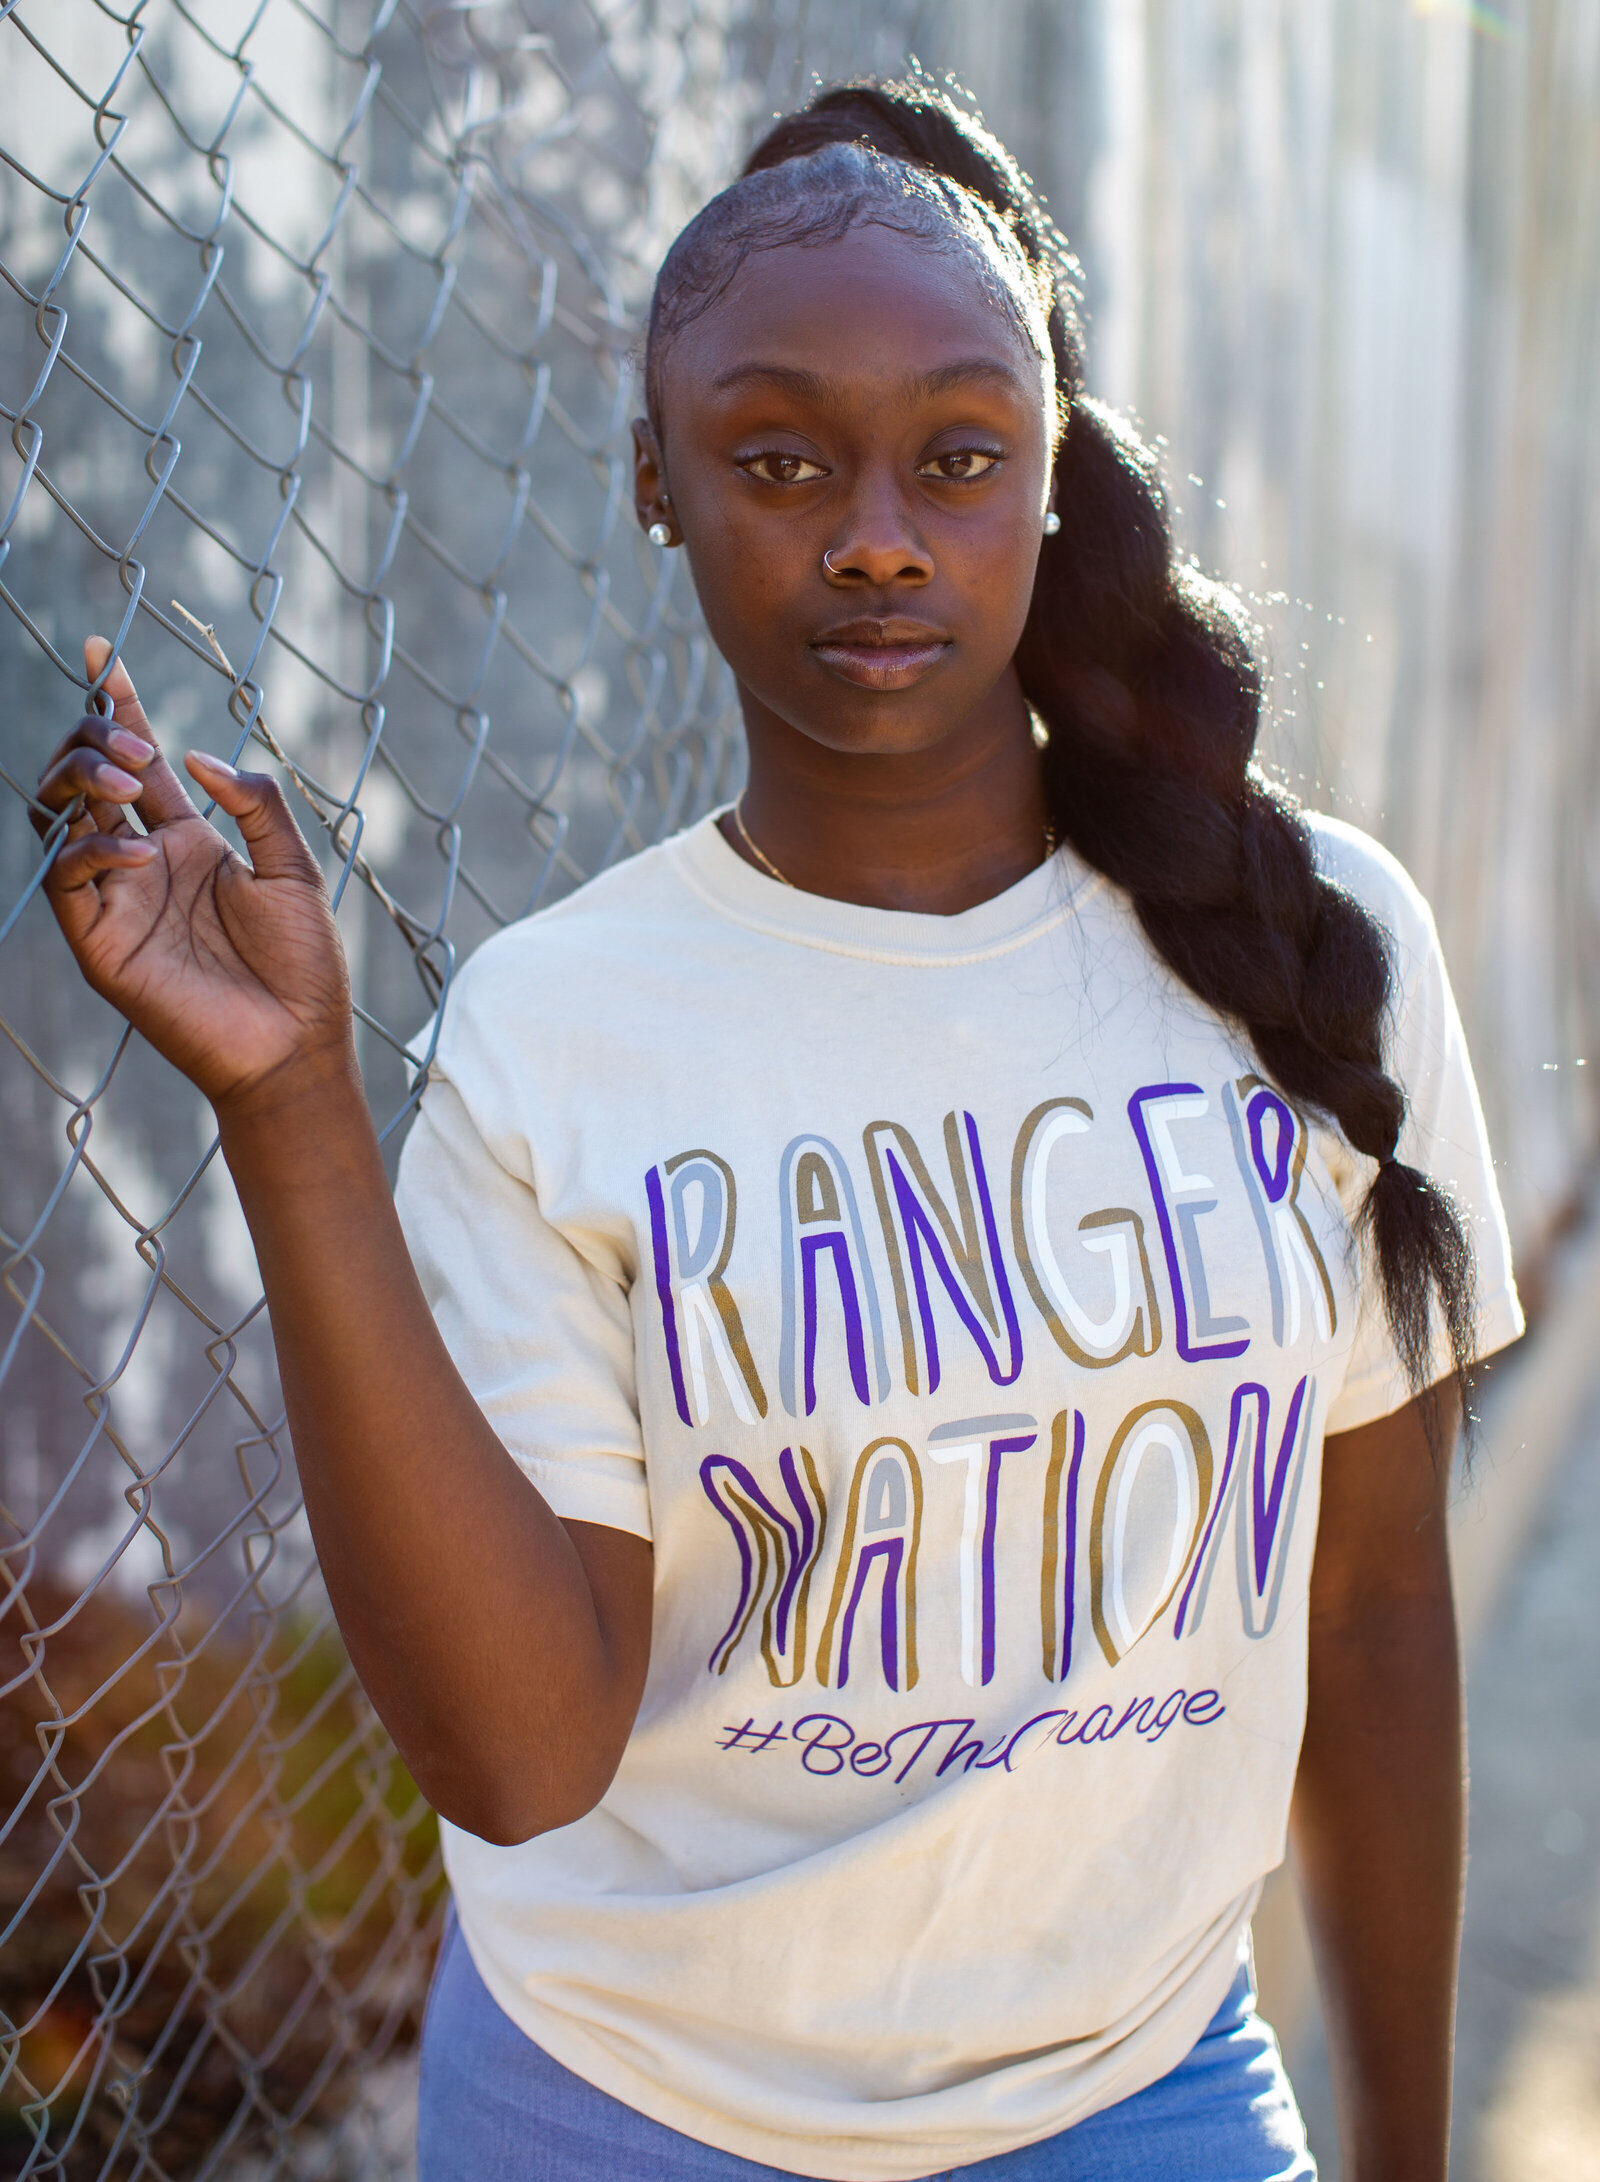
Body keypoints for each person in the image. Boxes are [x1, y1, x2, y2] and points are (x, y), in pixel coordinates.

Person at [33, 74, 1521, 2182]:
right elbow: (529, 1751)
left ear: (1046, 475)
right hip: (624, 2111)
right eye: (777, 457)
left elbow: (1368, 1606)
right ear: (657, 479)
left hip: (1138, 2095)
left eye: (956, 457)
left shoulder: (1310, 945)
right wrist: (289, 1110)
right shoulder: (560, 1031)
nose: (876, 531)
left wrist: (1403, 2151)